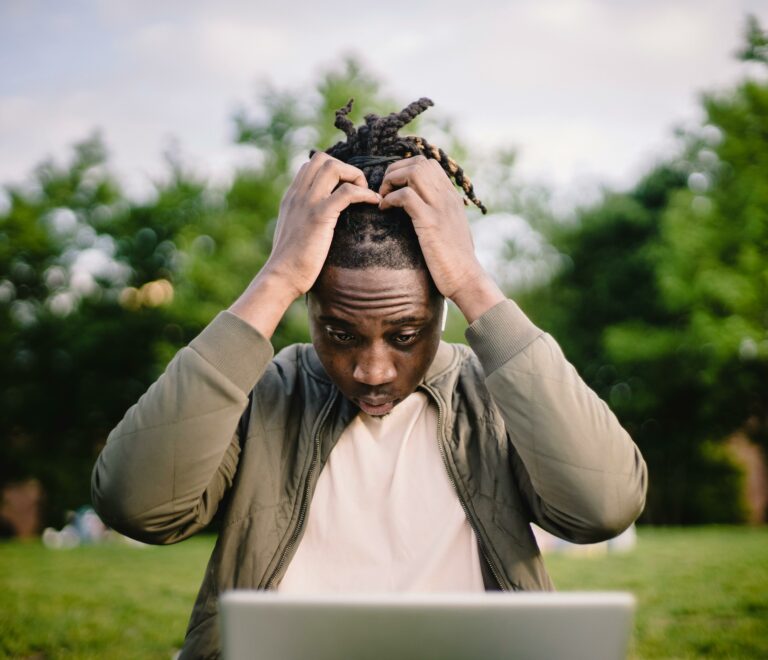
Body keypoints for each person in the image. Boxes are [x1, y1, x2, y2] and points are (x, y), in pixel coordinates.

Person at [91, 98, 647, 659]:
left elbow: (602, 506)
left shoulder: (499, 395)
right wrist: (277, 275)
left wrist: (474, 281)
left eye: (405, 335)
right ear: (308, 305)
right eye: (340, 333)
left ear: (442, 308)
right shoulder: (263, 392)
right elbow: (137, 506)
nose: (372, 371)